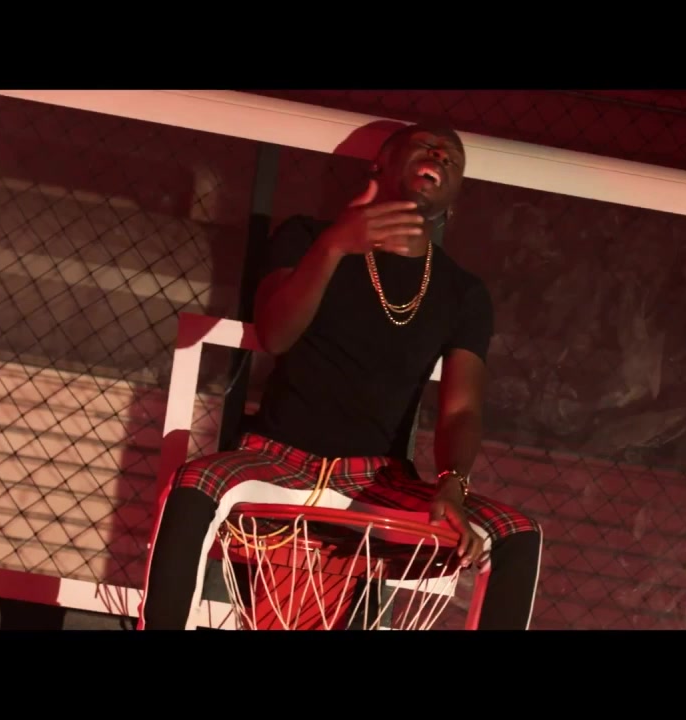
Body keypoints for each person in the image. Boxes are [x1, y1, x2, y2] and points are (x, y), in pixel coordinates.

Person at [137, 121, 543, 630]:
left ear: (454, 195)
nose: (440, 155)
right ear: (382, 163)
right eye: (426, 145)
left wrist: (452, 484)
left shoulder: (463, 292)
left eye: (452, 157)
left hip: (376, 477)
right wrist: (333, 246)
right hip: (276, 459)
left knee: (516, 533)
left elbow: (461, 409)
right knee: (195, 483)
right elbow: (275, 334)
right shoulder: (307, 237)